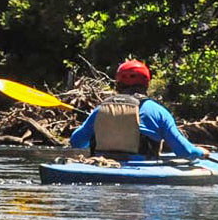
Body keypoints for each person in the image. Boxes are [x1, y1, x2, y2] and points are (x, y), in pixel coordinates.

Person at [68, 59, 210, 160]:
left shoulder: (101, 110)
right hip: (142, 174)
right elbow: (184, 151)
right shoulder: (158, 112)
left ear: (118, 84)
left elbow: (76, 142)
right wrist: (200, 152)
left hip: (103, 167)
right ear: (146, 84)